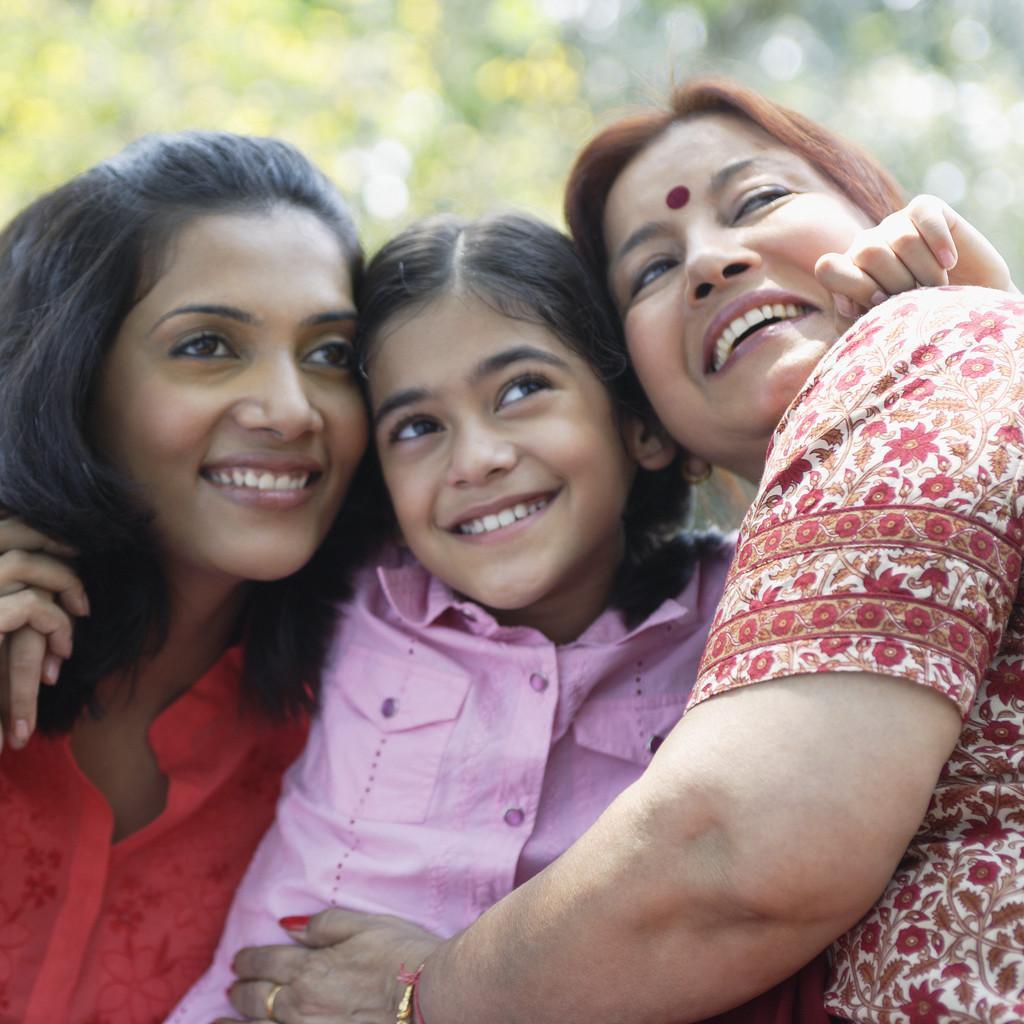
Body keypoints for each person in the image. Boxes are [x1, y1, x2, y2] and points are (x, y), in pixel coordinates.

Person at [219, 81, 1021, 1024]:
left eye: (758, 201)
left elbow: (739, 858)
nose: (713, 261)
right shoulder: (368, 600)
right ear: (651, 415)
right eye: (649, 270)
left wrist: (420, 999)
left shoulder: (936, 351)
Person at [166, 210, 734, 1022]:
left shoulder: (745, 611)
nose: (476, 460)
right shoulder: (353, 591)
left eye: (522, 390)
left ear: (639, 423)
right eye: (419, 427)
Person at [0, 130, 373, 1023]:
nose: (291, 410)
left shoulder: (370, 720)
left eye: (329, 355)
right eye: (208, 345)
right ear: (76, 376)